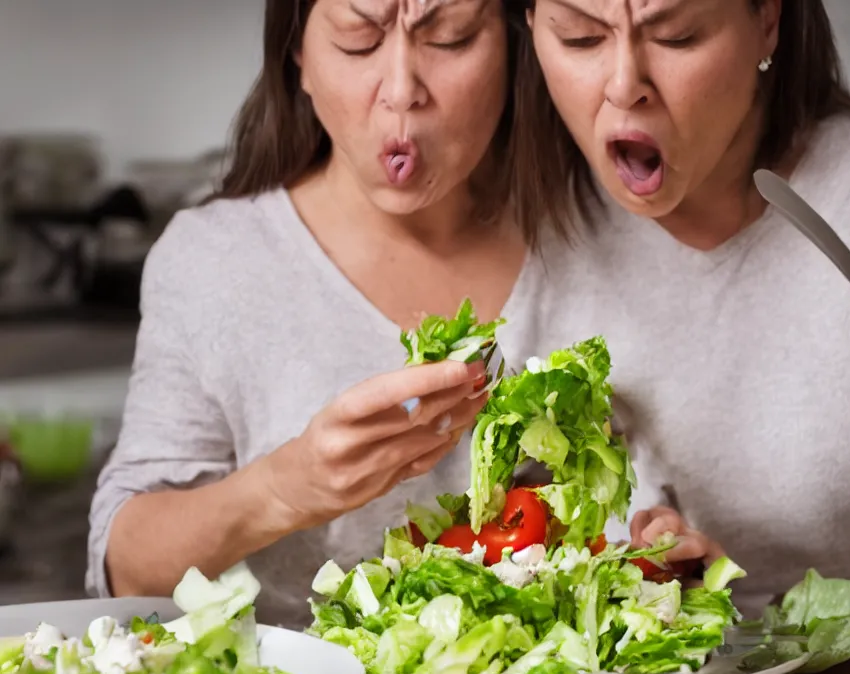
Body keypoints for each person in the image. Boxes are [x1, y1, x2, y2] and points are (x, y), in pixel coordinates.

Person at [496, 0, 850, 674]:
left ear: (768, 23)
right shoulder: (525, 208)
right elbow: (495, 528)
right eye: (581, 36)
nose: (624, 82)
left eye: (677, 35)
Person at [87, 0, 549, 628]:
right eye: (359, 42)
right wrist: (283, 488)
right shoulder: (214, 260)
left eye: (451, 38)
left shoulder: (601, 230)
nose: (401, 92)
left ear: (514, 46)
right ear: (298, 56)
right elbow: (126, 571)